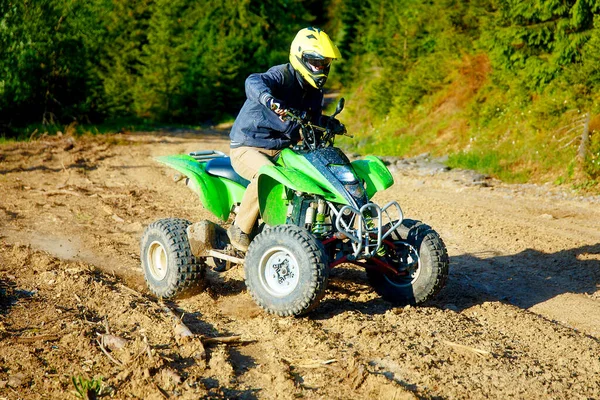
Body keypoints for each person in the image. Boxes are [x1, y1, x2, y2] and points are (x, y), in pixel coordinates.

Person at [227, 27, 341, 251]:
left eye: (324, 63)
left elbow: (311, 121)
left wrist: (328, 123)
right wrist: (269, 100)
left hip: (282, 150)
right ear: (300, 57)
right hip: (248, 146)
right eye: (315, 62)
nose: (320, 68)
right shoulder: (281, 75)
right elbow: (253, 81)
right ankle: (239, 229)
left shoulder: (315, 92)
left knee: (313, 176)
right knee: (268, 175)